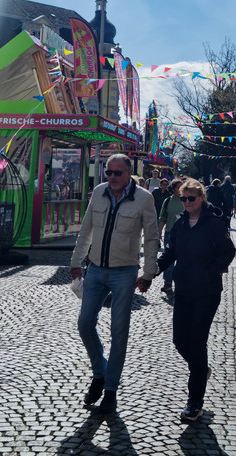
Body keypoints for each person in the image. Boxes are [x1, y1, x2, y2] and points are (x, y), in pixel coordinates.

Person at [69, 153, 160, 414]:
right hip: (95, 269)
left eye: (117, 173)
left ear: (128, 173)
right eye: (108, 172)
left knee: (119, 332)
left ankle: (110, 389)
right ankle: (100, 372)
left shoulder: (144, 198)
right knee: (85, 323)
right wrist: (76, 261)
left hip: (124, 272)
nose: (112, 177)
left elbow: (152, 238)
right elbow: (86, 228)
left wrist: (148, 273)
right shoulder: (98, 192)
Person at [156, 178, 236, 423]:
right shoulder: (180, 224)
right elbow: (170, 253)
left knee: (197, 340)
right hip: (184, 290)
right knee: (180, 340)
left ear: (202, 197)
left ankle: (194, 402)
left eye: (192, 198)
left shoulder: (213, 223)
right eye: (184, 198)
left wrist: (210, 271)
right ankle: (201, 370)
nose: (187, 202)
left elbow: (228, 251)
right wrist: (152, 271)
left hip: (207, 291)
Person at [157, 177, 187, 295]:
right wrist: (159, 232)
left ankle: (182, 282)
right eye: (178, 187)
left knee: (183, 259)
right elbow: (162, 217)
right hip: (169, 233)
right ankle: (168, 283)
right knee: (169, 260)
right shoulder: (168, 201)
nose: (181, 189)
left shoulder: (187, 200)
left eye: (182, 187)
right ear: (173, 189)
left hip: (185, 234)